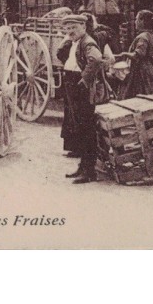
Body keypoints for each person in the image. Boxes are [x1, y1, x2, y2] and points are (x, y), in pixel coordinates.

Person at [55, 13, 111, 183]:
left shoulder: (87, 42)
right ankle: (83, 167)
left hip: (81, 89)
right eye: (68, 28)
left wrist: (84, 80)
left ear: (83, 27)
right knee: (80, 128)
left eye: (74, 28)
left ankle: (89, 171)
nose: (70, 31)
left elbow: (96, 59)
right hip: (73, 85)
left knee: (86, 129)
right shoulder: (76, 42)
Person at [116, 9, 153, 99]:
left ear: (142, 21)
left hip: (140, 72)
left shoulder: (143, 37)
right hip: (147, 69)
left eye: (137, 19)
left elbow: (138, 55)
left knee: (136, 96)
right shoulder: (150, 35)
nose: (135, 22)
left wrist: (123, 54)